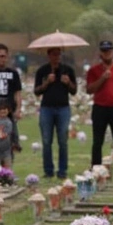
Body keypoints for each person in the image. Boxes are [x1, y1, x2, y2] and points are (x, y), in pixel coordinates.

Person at [33, 47, 77, 179]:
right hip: (47, 108)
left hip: (63, 108)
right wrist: (46, 83)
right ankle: (48, 170)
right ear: (49, 55)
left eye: (58, 54)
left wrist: (68, 83)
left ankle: (62, 170)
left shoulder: (68, 70)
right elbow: (37, 91)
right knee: (46, 140)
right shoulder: (42, 71)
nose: (56, 57)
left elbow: (74, 91)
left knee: (63, 140)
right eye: (54, 54)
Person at [86, 40, 113, 168]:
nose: (107, 53)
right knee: (98, 141)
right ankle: (96, 167)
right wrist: (102, 78)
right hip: (100, 108)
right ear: (100, 53)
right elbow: (89, 90)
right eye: (104, 51)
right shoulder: (94, 70)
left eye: (109, 50)